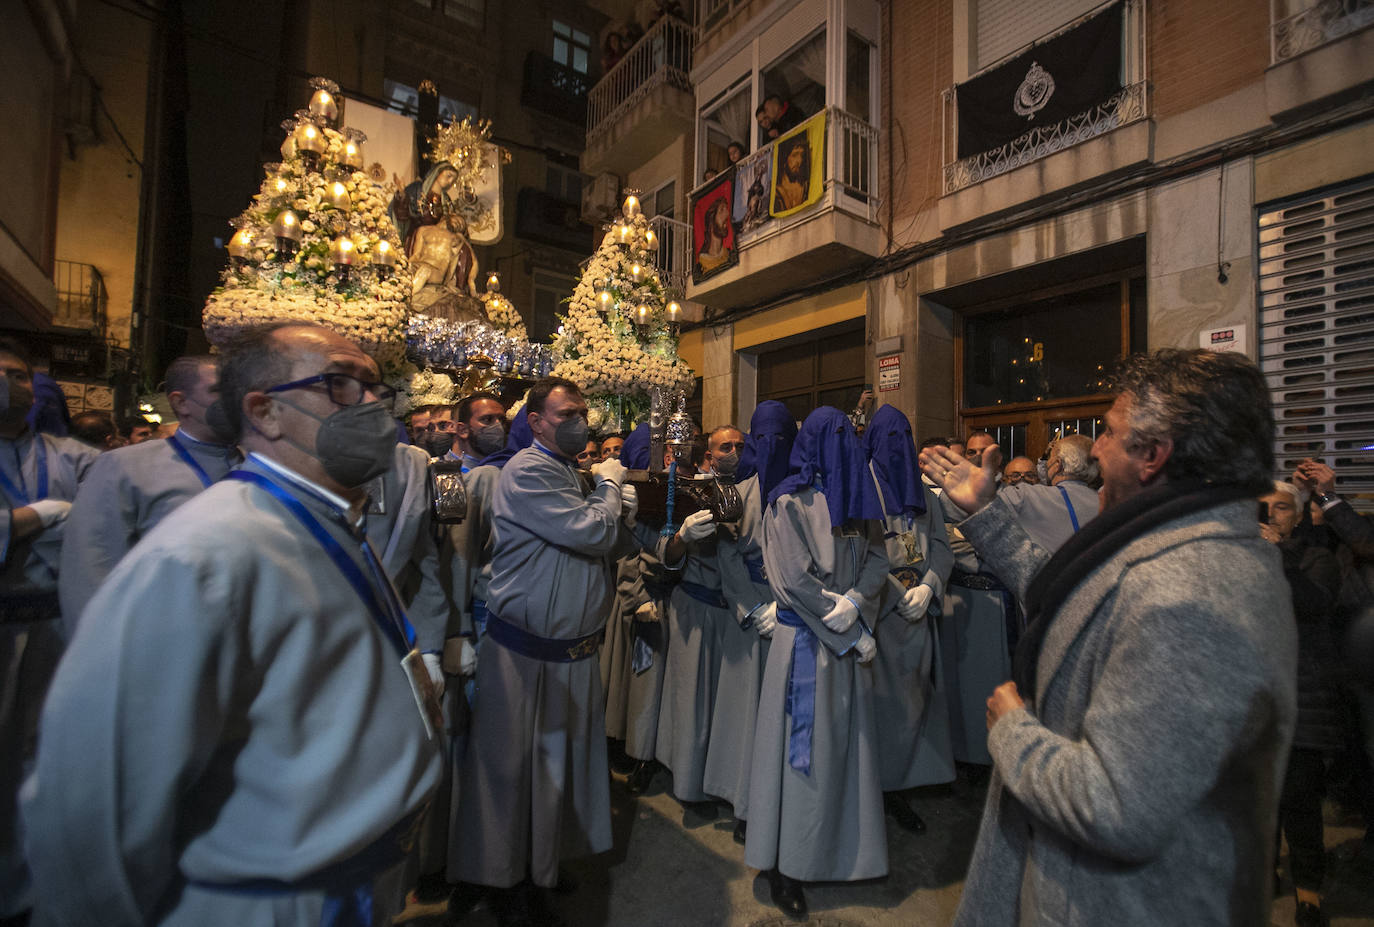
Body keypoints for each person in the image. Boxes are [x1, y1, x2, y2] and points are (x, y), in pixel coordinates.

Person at [23, 322, 442, 926]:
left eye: (375, 388)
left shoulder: (324, 520)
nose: (373, 406)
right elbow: (90, 804)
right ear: (265, 411)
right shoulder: (206, 553)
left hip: (348, 888)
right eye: (342, 385)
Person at [920, 348, 1297, 926]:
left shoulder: (1194, 593)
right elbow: (1076, 603)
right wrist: (986, 511)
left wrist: (1014, 731)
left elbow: (1117, 806)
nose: (1093, 449)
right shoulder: (1166, 544)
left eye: (1110, 434)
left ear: (1152, 455)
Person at [455, 377, 649, 925]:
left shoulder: (567, 470)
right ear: (536, 421)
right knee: (513, 773)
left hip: (570, 651)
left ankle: (539, 863)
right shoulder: (529, 469)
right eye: (566, 413)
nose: (580, 421)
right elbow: (590, 533)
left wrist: (619, 507)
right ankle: (504, 880)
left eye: (584, 411)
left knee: (555, 771)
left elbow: (610, 540)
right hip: (525, 655)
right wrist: (611, 487)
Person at [745, 407, 890, 920]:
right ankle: (785, 863)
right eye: (832, 436)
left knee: (844, 751)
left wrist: (858, 601)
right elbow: (795, 581)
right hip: (807, 646)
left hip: (845, 638)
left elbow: (879, 558)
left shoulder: (857, 494)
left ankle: (837, 849)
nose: (842, 443)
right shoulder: (788, 501)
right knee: (799, 758)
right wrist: (850, 629)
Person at [0, 338, 98, 922]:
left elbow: (97, 524)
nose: (10, 384)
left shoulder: (74, 457)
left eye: (18, 374)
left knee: (43, 759)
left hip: (54, 624)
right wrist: (40, 515)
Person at [58, 355, 242, 635]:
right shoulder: (124, 465)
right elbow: (90, 569)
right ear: (180, 402)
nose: (234, 399)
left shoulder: (256, 464)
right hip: (160, 635)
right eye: (219, 391)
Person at [863, 404, 955, 835]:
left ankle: (900, 787)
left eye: (905, 436)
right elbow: (862, 554)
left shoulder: (926, 497)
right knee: (876, 708)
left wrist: (930, 586)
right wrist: (896, 592)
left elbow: (941, 545)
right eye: (889, 438)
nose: (897, 447)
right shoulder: (861, 491)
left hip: (916, 613)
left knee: (912, 705)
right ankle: (869, 789)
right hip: (879, 613)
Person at [1260, 480, 1342, 927]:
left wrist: (1276, 557)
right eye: (1266, 507)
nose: (1273, 514)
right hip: (1257, 694)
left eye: (1283, 508)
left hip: (1303, 695)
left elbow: (1314, 603)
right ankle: (1265, 870)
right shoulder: (1249, 556)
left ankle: (1309, 892)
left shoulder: (1317, 558)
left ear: (1300, 513)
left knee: (1300, 801)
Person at [657, 425, 730, 819]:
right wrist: (683, 536)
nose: (732, 453)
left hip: (734, 615)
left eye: (740, 446)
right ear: (707, 456)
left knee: (727, 708)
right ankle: (689, 784)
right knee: (692, 705)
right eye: (724, 447)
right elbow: (667, 556)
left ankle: (724, 784)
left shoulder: (751, 491)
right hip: (696, 608)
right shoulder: (684, 494)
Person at [964, 434, 1099, 555]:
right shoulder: (1107, 502)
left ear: (1057, 465)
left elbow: (982, 520)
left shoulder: (1024, 495)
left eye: (1049, 460)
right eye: (1015, 475)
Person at [449, 392, 507, 473]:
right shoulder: (447, 474)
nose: (499, 426)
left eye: (502, 420)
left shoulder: (509, 471)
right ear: (463, 430)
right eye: (487, 419)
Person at [772, 135, 810, 213]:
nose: (799, 161)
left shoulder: (805, 187)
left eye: (802, 156)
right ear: (785, 158)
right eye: (794, 155)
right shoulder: (776, 191)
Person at [696, 198, 732, 275]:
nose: (727, 213)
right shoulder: (701, 265)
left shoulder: (730, 255)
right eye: (722, 210)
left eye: (727, 209)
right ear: (711, 223)